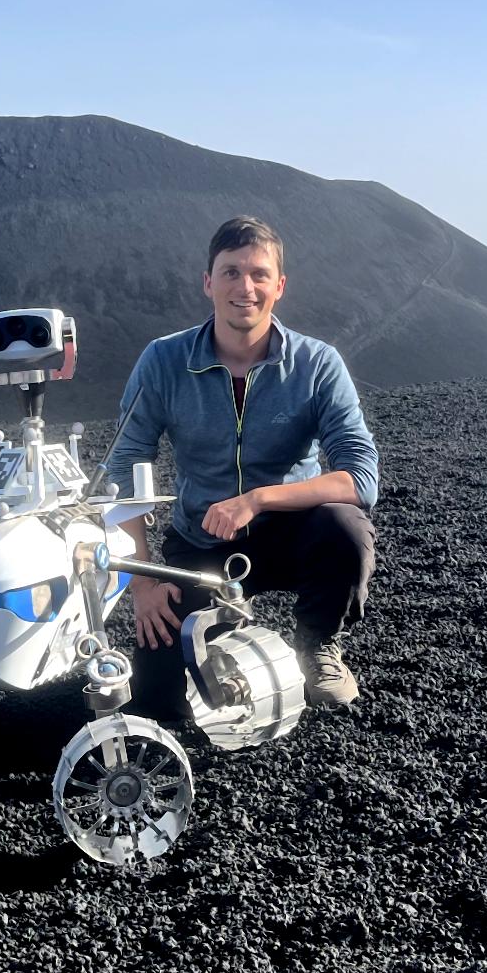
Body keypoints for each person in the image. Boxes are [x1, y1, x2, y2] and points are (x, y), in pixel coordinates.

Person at [108, 216, 379, 716]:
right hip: (200, 540)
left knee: (345, 527)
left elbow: (360, 478)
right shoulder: (164, 361)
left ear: (279, 286)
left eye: (258, 274)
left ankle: (318, 645)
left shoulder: (317, 364)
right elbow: (125, 464)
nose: (245, 287)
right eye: (231, 272)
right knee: (161, 699)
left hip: (293, 534)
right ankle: (223, 616)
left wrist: (256, 500)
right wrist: (143, 581)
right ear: (208, 282)